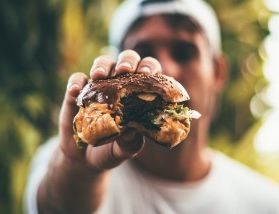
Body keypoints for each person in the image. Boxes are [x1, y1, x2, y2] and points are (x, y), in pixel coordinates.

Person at [25, 0, 279, 213]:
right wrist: (79, 170)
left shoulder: (266, 203)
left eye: (183, 53)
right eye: (144, 51)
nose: (165, 68)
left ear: (217, 72)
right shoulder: (64, 162)